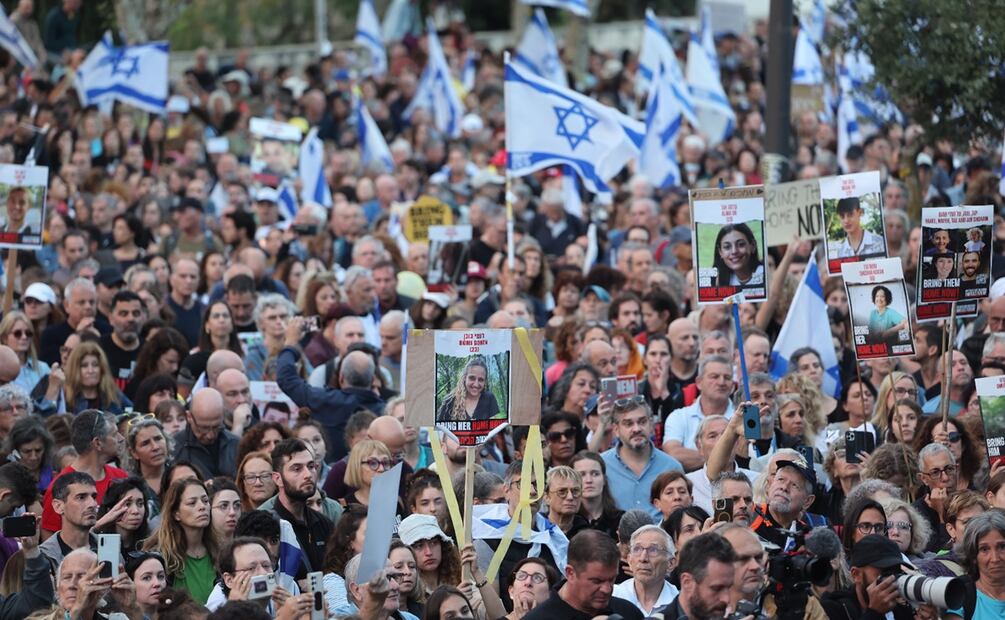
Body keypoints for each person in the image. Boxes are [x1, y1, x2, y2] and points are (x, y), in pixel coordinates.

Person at [276, 317, 384, 462]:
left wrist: (290, 344)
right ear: (373, 381)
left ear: (341, 378)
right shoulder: (387, 412)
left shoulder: (323, 400)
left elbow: (286, 379)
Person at [41, 410, 128, 537]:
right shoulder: (59, 487)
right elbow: (50, 545)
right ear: (98, 443)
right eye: (115, 434)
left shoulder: (121, 478)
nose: (121, 438)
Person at [523, 529, 644, 620]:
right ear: (570, 573)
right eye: (597, 581)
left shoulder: (628, 613)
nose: (606, 589)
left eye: (612, 579)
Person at [601, 396, 684, 518]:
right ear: (616, 430)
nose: (637, 429)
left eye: (642, 422)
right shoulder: (602, 465)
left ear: (651, 425)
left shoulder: (672, 466)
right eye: (628, 424)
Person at [142, 478, 218, 604]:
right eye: (192, 503)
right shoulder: (160, 557)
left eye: (205, 501)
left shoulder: (221, 551)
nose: (202, 507)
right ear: (176, 513)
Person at [265, 438, 333, 577]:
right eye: (297, 469)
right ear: (277, 479)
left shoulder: (324, 524)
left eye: (311, 466)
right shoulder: (265, 527)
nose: (308, 474)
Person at [821, 534, 916, 620]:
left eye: (896, 572)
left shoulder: (901, 612)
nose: (891, 578)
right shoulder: (833, 609)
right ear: (856, 574)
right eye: (885, 572)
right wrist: (874, 613)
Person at [612, 524, 679, 616]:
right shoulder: (613, 596)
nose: (643, 558)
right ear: (629, 560)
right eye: (637, 549)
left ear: (670, 563)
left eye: (653, 550)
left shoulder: (680, 603)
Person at [173, 388, 240, 478]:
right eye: (204, 428)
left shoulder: (236, 445)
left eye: (216, 427)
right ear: (189, 417)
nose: (210, 435)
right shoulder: (174, 449)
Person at [39, 471, 98, 570]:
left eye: (94, 497)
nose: (92, 504)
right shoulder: (44, 556)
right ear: (58, 506)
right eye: (81, 497)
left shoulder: (109, 548)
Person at [954, 510, 1005, 619]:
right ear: (973, 556)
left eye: (1002, 547)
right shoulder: (961, 596)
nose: (995, 558)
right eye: (984, 549)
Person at [570, 451, 624, 539]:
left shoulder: (621, 520)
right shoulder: (567, 521)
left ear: (604, 479)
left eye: (595, 474)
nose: (589, 480)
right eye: (581, 474)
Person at [93, 476, 152, 556]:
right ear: (110, 510)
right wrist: (98, 525)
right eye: (127, 504)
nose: (136, 511)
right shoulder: (97, 542)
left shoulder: (152, 543)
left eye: (140, 504)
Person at [436, 356, 500, 422]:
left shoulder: (489, 398)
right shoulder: (449, 401)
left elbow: (494, 427)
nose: (476, 384)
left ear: (485, 381)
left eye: (481, 380)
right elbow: (439, 430)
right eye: (472, 378)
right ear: (464, 378)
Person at [0, 310, 49, 394]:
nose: (24, 337)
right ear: (4, 338)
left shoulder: (43, 369)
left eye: (28, 333)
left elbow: (59, 404)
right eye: (18, 333)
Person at [126, 550, 168, 619]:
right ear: (130, 583)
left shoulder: (178, 615)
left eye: (161, 576)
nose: (157, 583)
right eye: (146, 578)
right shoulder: (118, 617)